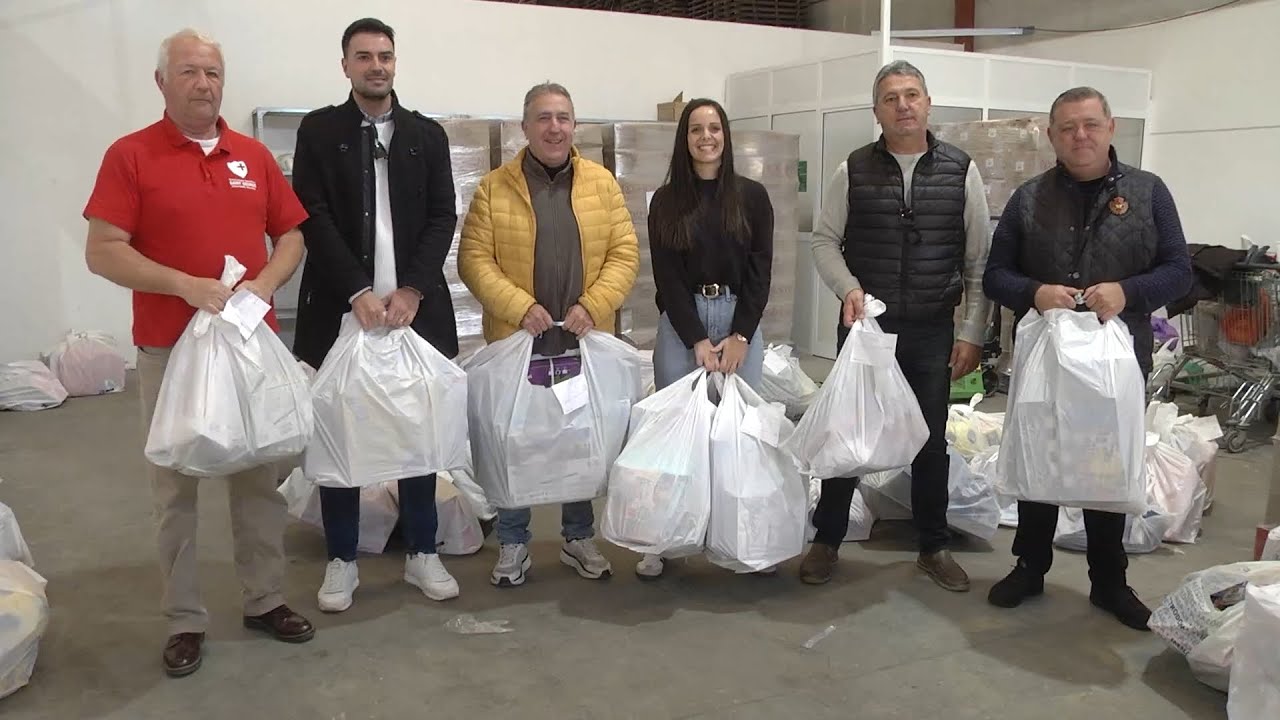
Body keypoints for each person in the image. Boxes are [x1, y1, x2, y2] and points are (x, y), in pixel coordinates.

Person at [82, 28, 314, 678]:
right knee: (175, 490)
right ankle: (185, 619)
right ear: (162, 82)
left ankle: (266, 600)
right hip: (168, 351)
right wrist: (184, 285)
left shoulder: (254, 156)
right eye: (188, 72)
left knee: (260, 480)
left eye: (212, 72)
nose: (203, 84)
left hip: (246, 349)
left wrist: (265, 284)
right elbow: (103, 249)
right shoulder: (130, 157)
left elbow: (291, 234)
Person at [982, 86, 1193, 630]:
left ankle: (1109, 581)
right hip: (1046, 364)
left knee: (1106, 466)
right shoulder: (1028, 199)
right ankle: (1030, 566)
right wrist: (1033, 292)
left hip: (1116, 364)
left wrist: (1128, 292)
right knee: (1040, 456)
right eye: (1068, 127)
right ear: (1052, 135)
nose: (1080, 136)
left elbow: (1179, 269)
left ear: (1110, 127)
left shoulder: (1148, 194)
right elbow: (994, 275)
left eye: (1090, 125)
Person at [290, 18, 461, 612]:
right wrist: (356, 289)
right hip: (345, 313)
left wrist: (411, 289)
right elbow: (311, 214)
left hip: (412, 315)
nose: (376, 66)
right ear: (345, 66)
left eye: (385, 55)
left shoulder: (425, 135)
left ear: (396, 62)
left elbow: (444, 215)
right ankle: (341, 560)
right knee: (342, 436)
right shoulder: (319, 131)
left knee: (418, 434)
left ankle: (421, 552)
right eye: (363, 57)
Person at [803, 60, 993, 590]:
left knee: (931, 441)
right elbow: (823, 240)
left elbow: (978, 260)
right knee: (848, 435)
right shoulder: (854, 169)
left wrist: (972, 331)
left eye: (912, 95)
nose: (903, 105)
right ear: (877, 111)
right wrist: (850, 291)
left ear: (928, 104)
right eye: (891, 97)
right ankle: (827, 539)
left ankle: (933, 546)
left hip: (933, 330)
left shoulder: (961, 171)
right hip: (868, 331)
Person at [458, 82, 639, 587]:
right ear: (525, 127)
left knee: (578, 436)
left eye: (563, 117)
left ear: (574, 126)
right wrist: (521, 308)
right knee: (516, 438)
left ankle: (577, 536)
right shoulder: (496, 187)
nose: (554, 127)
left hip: (580, 340)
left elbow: (624, 254)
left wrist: (593, 305)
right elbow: (473, 259)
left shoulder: (601, 184)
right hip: (520, 343)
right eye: (543, 118)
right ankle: (514, 542)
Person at [634, 98, 775, 580]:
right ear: (685, 139)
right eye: (697, 129)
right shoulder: (666, 201)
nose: (707, 137)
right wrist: (694, 337)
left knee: (742, 433)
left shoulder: (752, 197)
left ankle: (741, 533)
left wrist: (741, 335)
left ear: (726, 136)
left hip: (739, 317)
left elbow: (761, 271)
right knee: (672, 432)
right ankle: (662, 539)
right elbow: (667, 276)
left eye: (715, 128)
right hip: (683, 319)